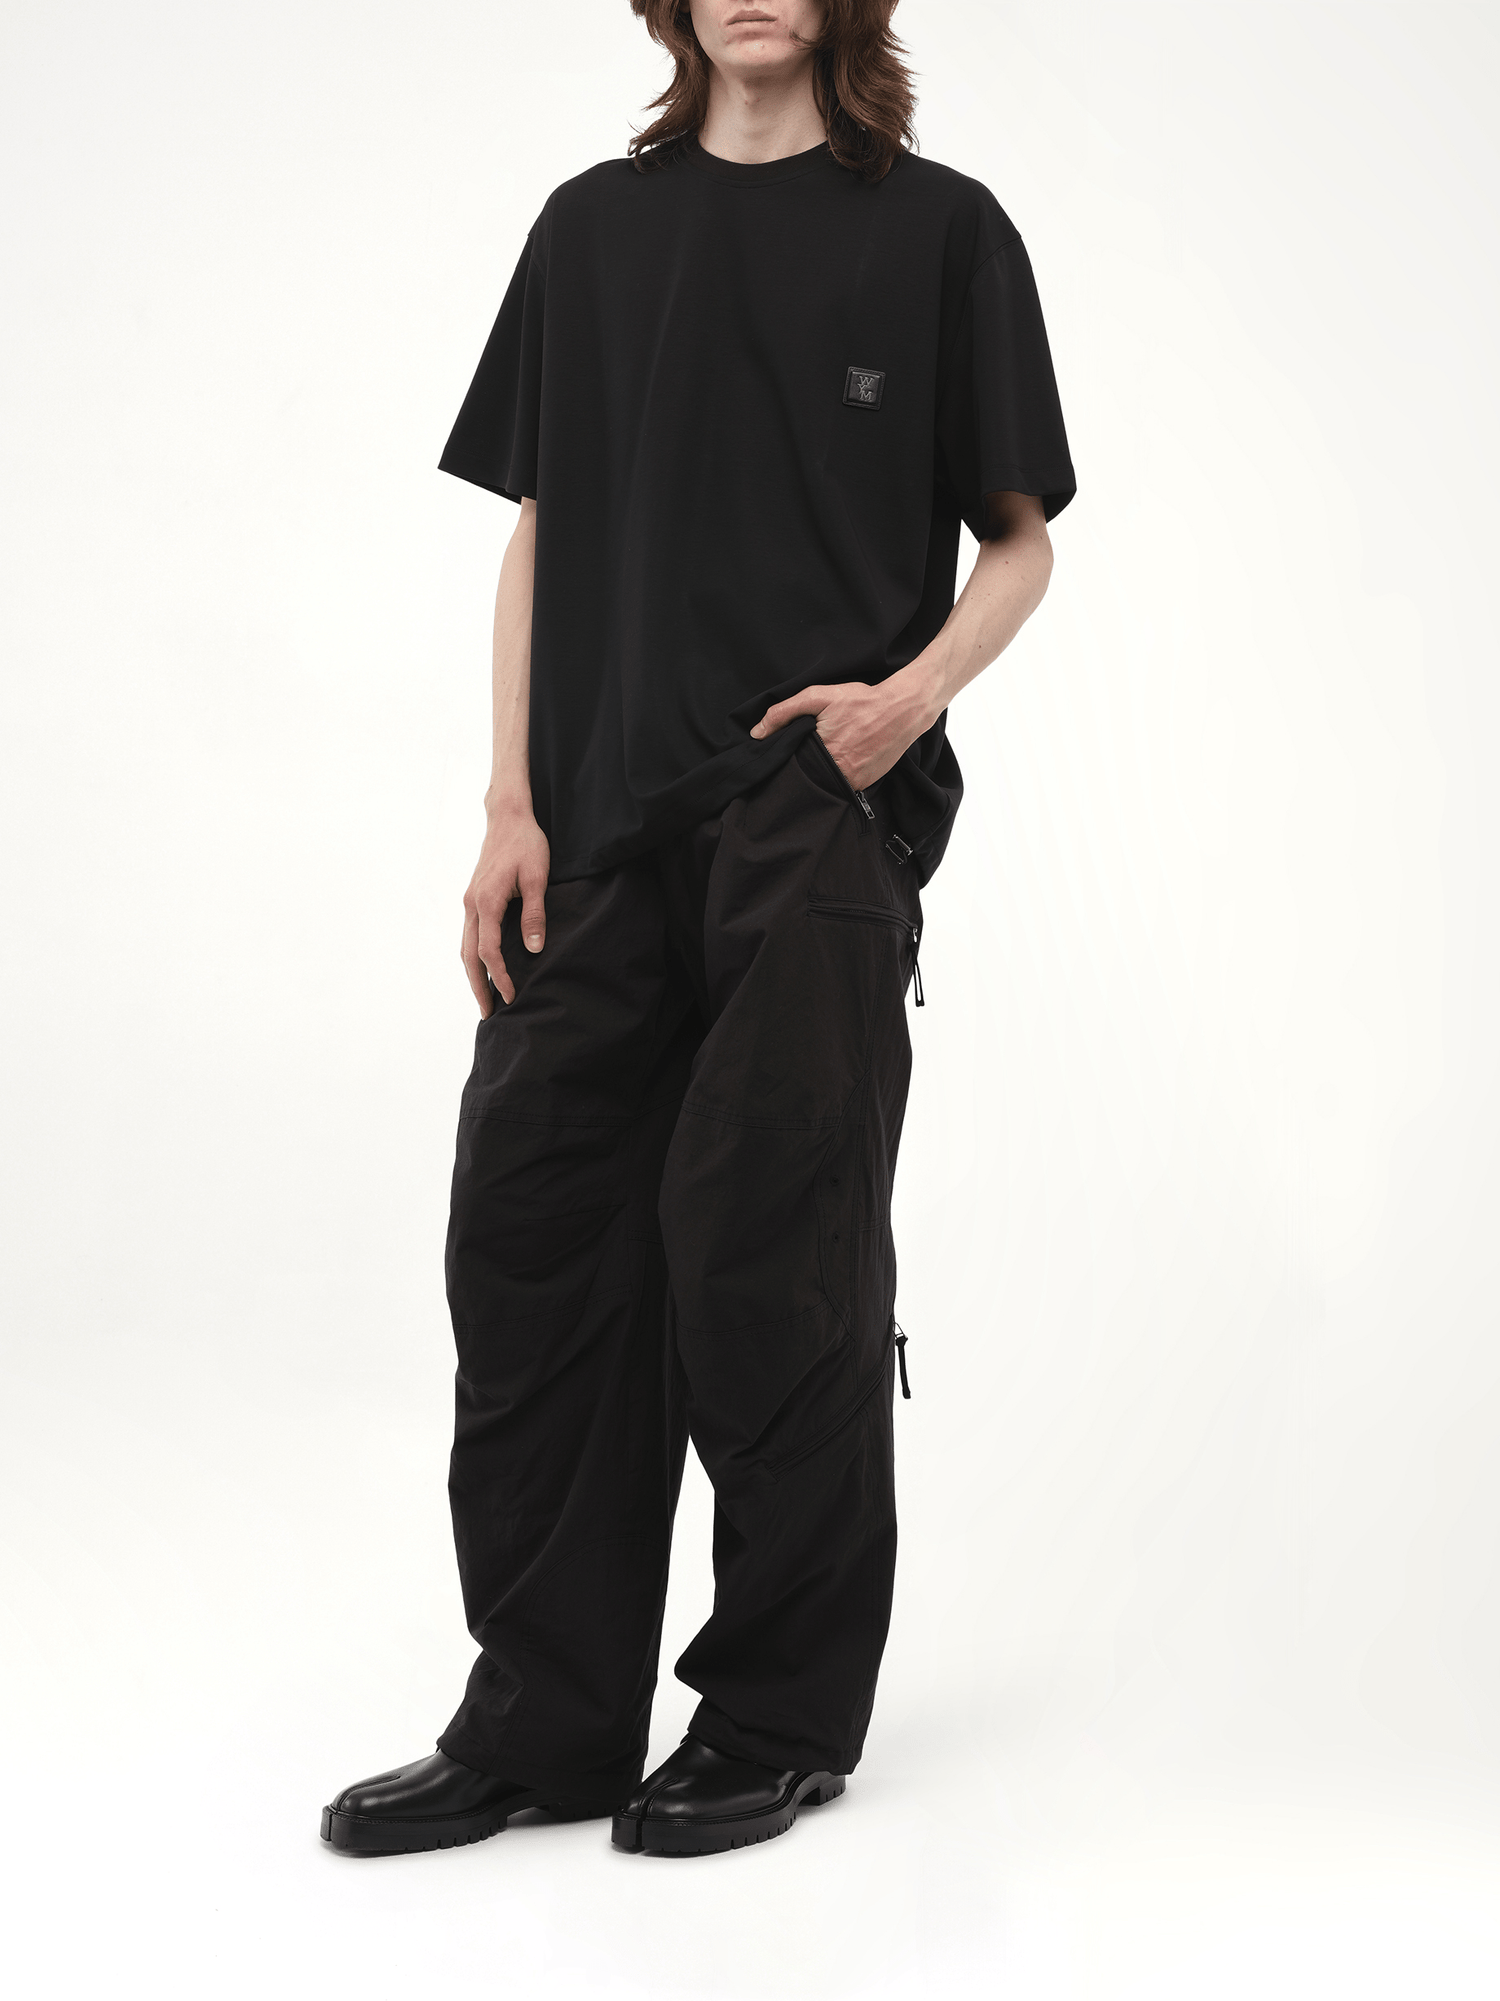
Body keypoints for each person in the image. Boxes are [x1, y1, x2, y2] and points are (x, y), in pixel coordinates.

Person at [321, 0, 1072, 1861]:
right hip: (591, 819)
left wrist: (908, 703)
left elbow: (1023, 540)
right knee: (533, 1247)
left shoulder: (942, 230)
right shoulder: (594, 227)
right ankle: (547, 1721)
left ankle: (778, 1716)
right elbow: (542, 524)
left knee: (770, 1249)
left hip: (811, 813)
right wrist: (509, 798)